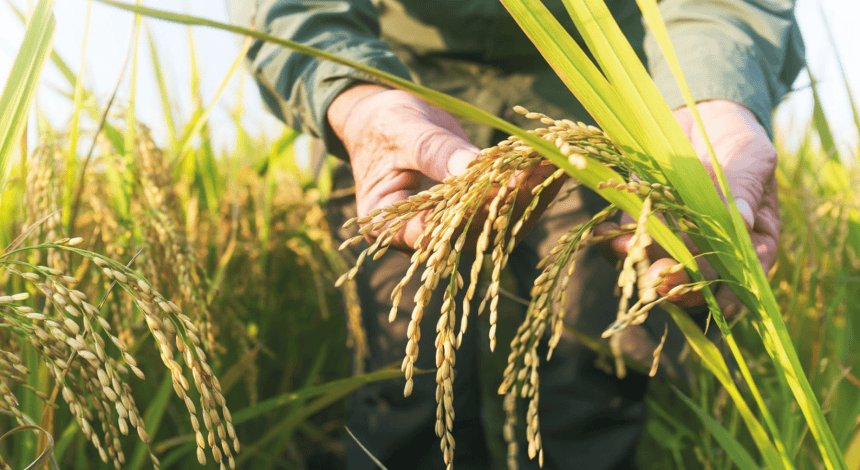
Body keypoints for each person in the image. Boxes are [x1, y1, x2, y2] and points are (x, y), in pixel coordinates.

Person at [226, 0, 804, 468]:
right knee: (403, 379)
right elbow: (292, 7)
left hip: (598, 84)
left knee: (588, 377)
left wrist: (713, 103)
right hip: (395, 81)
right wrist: (354, 96)